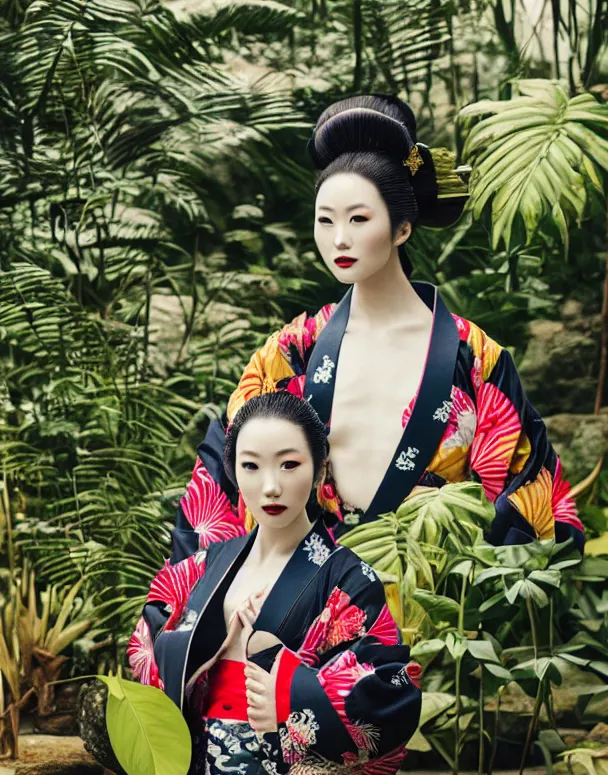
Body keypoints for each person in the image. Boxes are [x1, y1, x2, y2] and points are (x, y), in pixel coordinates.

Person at [168, 93, 584, 564]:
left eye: (358, 219)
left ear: (402, 227)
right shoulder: (290, 353)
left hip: (437, 612)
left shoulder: (476, 357)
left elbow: (530, 494)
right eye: (325, 221)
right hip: (311, 613)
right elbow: (219, 488)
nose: (339, 238)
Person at [128, 391, 422, 775]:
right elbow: (144, 656)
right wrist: (205, 647)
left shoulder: (349, 580)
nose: (270, 486)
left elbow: (390, 693)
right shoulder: (197, 572)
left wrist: (291, 697)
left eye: (289, 464)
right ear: (231, 471)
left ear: (320, 467)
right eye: (251, 466)